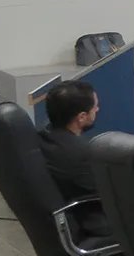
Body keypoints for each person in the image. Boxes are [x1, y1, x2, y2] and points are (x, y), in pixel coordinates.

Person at [38, 80, 107, 234]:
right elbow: (106, 194)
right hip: (93, 223)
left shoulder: (43, 137)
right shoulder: (81, 154)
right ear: (81, 117)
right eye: (95, 107)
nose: (97, 109)